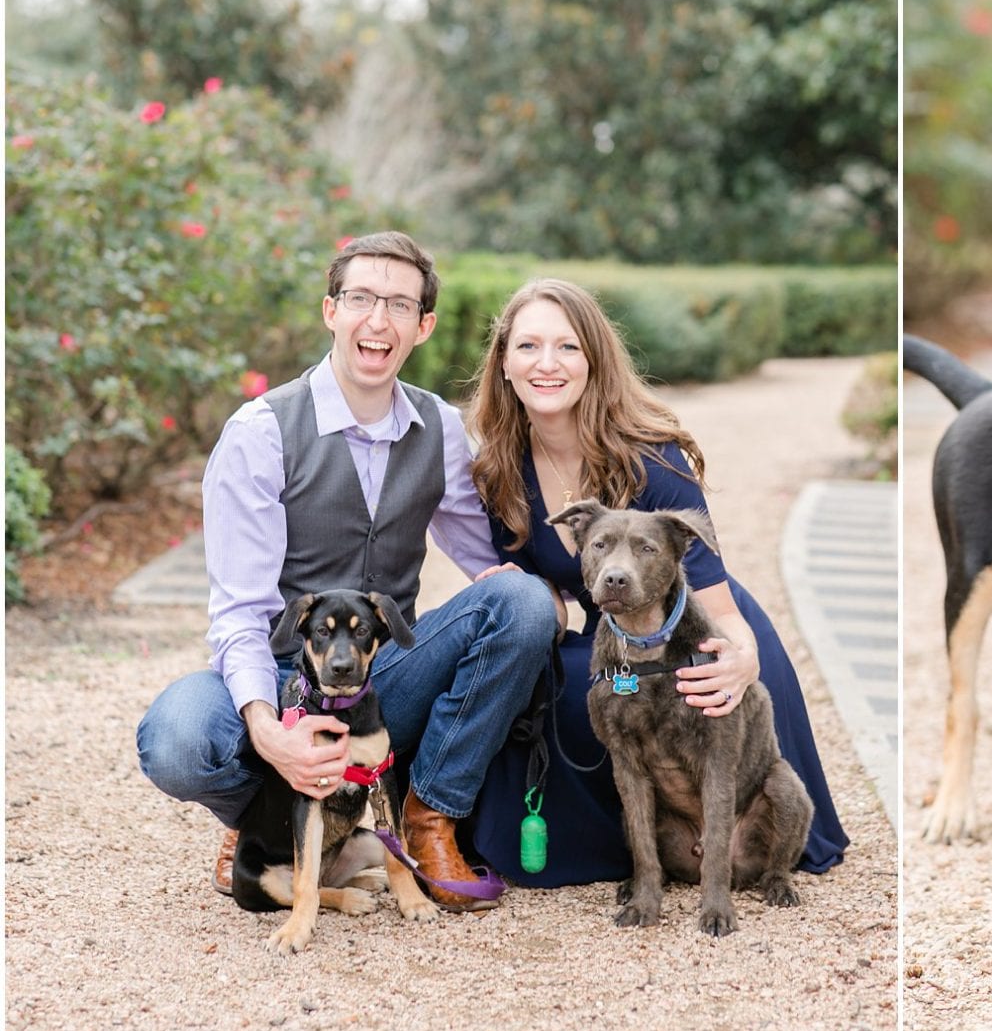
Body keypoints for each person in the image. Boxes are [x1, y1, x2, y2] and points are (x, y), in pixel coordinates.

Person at [137, 233, 564, 910]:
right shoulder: (261, 430)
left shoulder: (440, 427)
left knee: (525, 601)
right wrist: (269, 729)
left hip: (382, 673)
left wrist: (548, 595)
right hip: (285, 674)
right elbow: (241, 613)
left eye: (400, 304)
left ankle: (429, 817)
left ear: (423, 326)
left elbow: (486, 562)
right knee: (178, 736)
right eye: (361, 298)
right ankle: (261, 823)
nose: (378, 319)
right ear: (330, 310)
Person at [462, 279, 849, 886]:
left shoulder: (652, 458)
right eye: (529, 346)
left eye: (567, 348)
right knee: (556, 697)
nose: (547, 364)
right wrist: (528, 596)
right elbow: (552, 594)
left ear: (594, 361)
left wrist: (743, 660)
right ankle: (629, 849)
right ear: (504, 363)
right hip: (615, 635)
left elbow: (718, 604)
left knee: (698, 712)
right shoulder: (498, 471)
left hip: (694, 629)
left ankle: (742, 837)